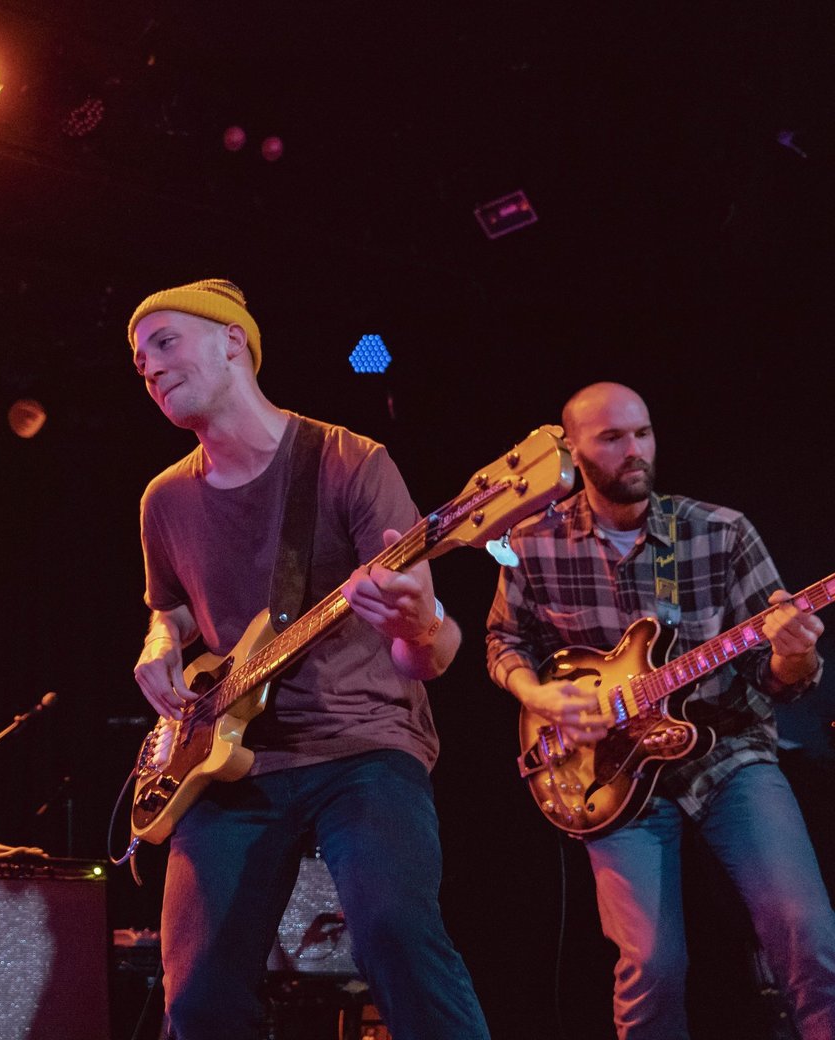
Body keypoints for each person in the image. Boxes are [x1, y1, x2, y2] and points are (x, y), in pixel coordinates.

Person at [129, 279, 491, 1040]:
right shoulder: (163, 500)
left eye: (166, 342)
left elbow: (431, 653)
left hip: (361, 744)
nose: (150, 367)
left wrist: (418, 624)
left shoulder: (350, 460)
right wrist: (160, 643)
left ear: (235, 341)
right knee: (195, 995)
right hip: (230, 760)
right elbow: (173, 608)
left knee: (395, 932)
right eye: (140, 360)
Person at [485, 381, 835, 1039]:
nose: (634, 450)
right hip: (609, 775)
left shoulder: (721, 531)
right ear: (574, 453)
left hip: (729, 754)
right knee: (650, 964)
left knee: (806, 929)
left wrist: (794, 656)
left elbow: (783, 680)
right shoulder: (532, 542)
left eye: (642, 433)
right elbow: (503, 639)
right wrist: (537, 695)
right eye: (612, 438)